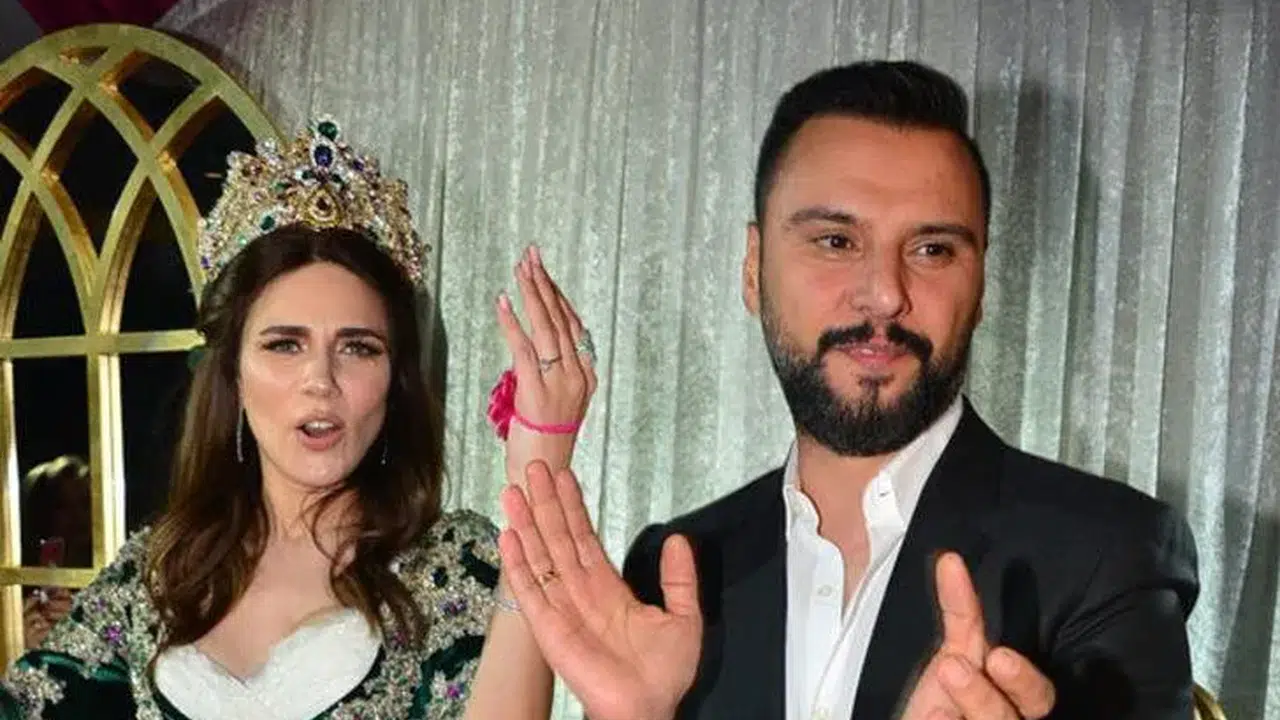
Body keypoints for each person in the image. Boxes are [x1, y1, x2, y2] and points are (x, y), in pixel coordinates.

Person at [493, 60, 1200, 720]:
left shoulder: (1107, 556)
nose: (885, 294)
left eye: (933, 250)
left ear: (981, 284)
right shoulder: (679, 568)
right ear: (753, 268)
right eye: (836, 241)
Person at [0, 119, 590, 719]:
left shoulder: (450, 567)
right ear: (233, 375)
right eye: (285, 345)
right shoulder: (159, 572)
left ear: (395, 380)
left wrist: (538, 480)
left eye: (358, 347)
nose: (320, 380)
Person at [19, 456, 91, 649]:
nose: (77, 516)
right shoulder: (18, 584)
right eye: (63, 506)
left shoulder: (117, 575)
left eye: (85, 503)